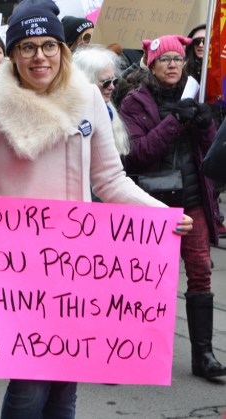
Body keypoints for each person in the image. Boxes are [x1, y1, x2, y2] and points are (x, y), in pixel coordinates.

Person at [0, 1, 193, 417]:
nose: (39, 56)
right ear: (12, 54)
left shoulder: (87, 100)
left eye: (49, 45)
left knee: (66, 385)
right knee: (29, 384)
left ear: (62, 50)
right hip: (18, 268)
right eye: (27, 47)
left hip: (79, 268)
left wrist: (162, 215)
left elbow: (110, 181)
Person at [119, 34, 226, 381]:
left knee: (200, 272)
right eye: (165, 60)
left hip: (192, 202)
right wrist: (174, 122)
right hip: (151, 205)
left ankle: (204, 355)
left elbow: (213, 159)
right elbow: (137, 153)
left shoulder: (194, 98)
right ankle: (139, 351)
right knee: (147, 280)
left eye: (178, 60)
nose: (172, 66)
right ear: (152, 64)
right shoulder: (135, 103)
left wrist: (205, 123)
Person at [73, 45, 129, 156]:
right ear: (87, 81)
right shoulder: (74, 118)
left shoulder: (108, 111)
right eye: (106, 82)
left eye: (115, 81)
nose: (112, 87)